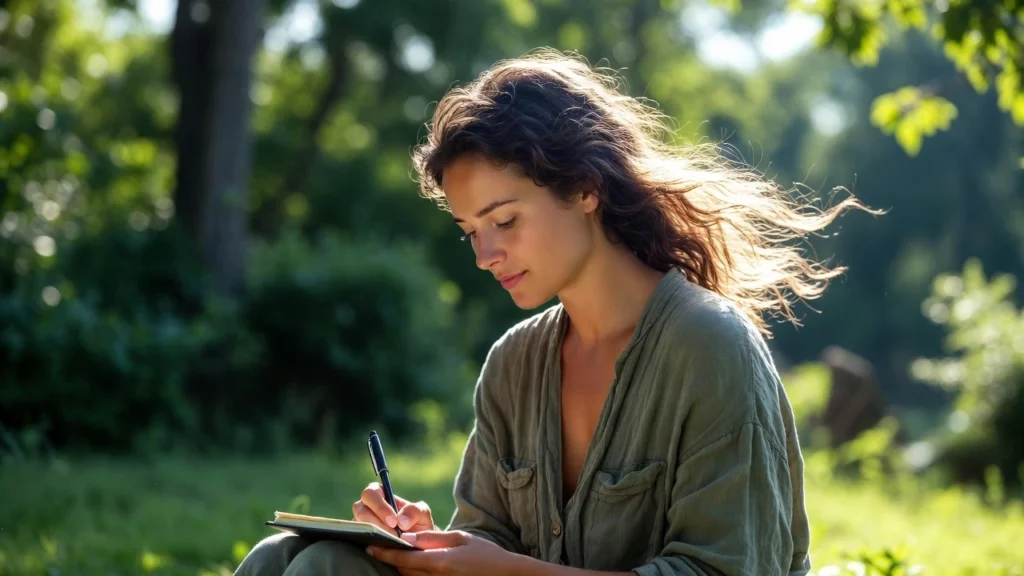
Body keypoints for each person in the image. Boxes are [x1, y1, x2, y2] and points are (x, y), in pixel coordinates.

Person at [235, 48, 876, 576]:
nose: (485, 254)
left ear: (586, 190)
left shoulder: (710, 348)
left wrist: (507, 572)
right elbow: (483, 541)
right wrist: (434, 548)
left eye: (504, 220)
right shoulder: (514, 362)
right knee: (288, 560)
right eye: (469, 231)